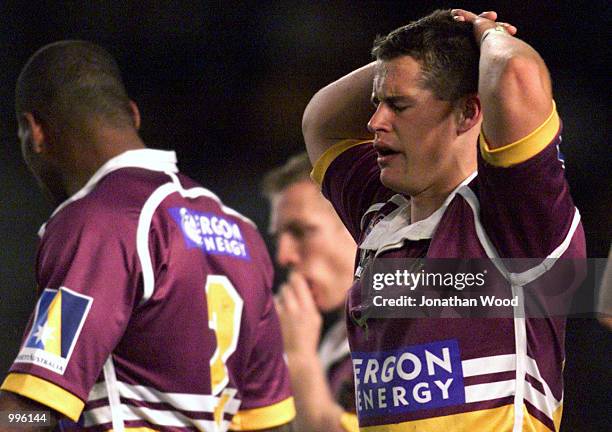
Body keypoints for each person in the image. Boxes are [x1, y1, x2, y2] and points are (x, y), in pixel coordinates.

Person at [302, 8, 585, 432]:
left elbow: (517, 72)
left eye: (398, 105)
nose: (375, 121)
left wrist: (484, 34)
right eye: (377, 103)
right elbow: (320, 118)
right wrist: (435, 43)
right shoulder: (380, 215)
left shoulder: (512, 219)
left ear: (469, 113)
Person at [0, 40, 295, 432]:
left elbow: (33, 410)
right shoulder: (243, 233)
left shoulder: (98, 222)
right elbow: (271, 424)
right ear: (133, 116)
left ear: (34, 132)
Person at [262, 153, 358, 432]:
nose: (283, 256)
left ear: (357, 225)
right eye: (278, 237)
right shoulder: (333, 342)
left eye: (300, 231)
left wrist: (299, 357)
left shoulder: (414, 326)